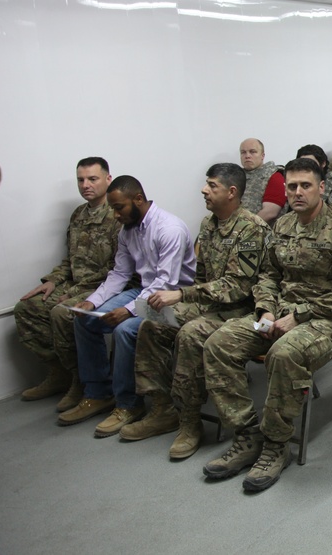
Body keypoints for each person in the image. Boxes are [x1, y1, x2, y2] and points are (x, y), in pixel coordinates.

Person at [201, 158, 332, 492]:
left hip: (331, 319)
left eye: (305, 185)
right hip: (279, 314)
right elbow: (268, 275)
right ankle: (247, 435)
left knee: (284, 353)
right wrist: (265, 309)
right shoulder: (282, 226)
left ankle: (277, 445)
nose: (296, 192)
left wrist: (302, 314)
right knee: (219, 343)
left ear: (321, 187)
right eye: (291, 186)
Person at [123, 163, 269, 459]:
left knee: (191, 334)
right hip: (210, 304)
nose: (204, 190)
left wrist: (183, 294)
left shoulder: (251, 228)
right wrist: (185, 301)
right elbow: (203, 276)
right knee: (151, 324)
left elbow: (237, 287)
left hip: (241, 310)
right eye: (206, 184)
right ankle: (163, 409)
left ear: (231, 192)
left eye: (211, 185)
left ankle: (190, 421)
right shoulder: (209, 224)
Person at [60, 176, 195, 436]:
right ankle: (98, 393)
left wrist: (128, 310)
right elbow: (120, 274)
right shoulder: (127, 230)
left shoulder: (169, 228)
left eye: (118, 207)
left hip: (174, 297)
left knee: (126, 330)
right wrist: (93, 301)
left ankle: (128, 404)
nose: (115, 214)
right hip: (144, 290)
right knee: (85, 319)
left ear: (138, 199)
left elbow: (166, 283)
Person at [14, 157, 120, 408]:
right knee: (27, 308)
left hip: (103, 287)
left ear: (108, 179)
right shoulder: (79, 215)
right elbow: (72, 258)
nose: (86, 185)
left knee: (62, 313)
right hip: (75, 283)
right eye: (80, 180)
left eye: (92, 179)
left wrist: (74, 291)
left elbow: (120, 270)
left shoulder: (117, 216)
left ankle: (83, 381)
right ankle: (61, 373)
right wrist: (53, 280)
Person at [239, 137, 285, 224]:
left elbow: (270, 212)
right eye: (243, 152)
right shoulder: (235, 177)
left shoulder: (274, 176)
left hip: (259, 233)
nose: (247, 156)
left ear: (262, 156)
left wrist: (243, 229)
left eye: (253, 152)